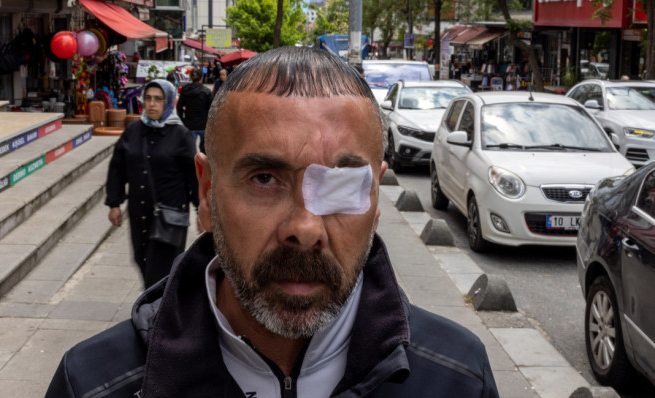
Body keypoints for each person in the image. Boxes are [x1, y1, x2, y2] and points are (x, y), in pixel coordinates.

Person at [46, 47, 499, 398]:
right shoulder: (93, 383)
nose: (305, 228)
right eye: (264, 179)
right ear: (206, 193)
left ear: (375, 198)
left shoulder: (458, 378)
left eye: (341, 185)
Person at [104, 79, 199, 289]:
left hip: (170, 216)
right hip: (140, 213)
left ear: (169, 102)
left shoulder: (180, 135)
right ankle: (156, 310)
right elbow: (117, 168)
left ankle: (154, 315)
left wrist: (202, 208)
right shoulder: (133, 131)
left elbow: (193, 175)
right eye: (148, 98)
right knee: (142, 260)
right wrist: (114, 203)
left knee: (160, 272)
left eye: (158, 99)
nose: (152, 104)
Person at [176, 68, 212, 153]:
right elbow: (212, 109)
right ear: (201, 78)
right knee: (205, 153)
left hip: (190, 124)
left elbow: (179, 107)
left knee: (190, 151)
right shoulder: (206, 91)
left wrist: (183, 120)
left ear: (190, 77)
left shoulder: (185, 89)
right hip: (204, 124)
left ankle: (192, 165)